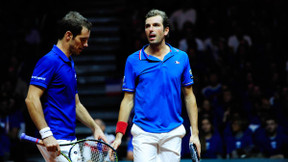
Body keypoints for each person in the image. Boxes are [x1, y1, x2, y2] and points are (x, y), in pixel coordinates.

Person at [111, 9, 201, 162]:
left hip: (173, 132)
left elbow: (189, 96)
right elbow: (127, 100)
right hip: (143, 133)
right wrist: (119, 135)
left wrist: (195, 134)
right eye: (147, 26)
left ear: (166, 30)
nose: (151, 29)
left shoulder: (181, 57)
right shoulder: (133, 60)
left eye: (155, 25)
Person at [25, 11, 107, 162]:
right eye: (82, 40)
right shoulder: (49, 61)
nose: (86, 44)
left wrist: (95, 127)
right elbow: (31, 99)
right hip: (56, 138)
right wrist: (46, 134)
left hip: (68, 138)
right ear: (68, 35)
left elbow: (76, 104)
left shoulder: (69, 63)